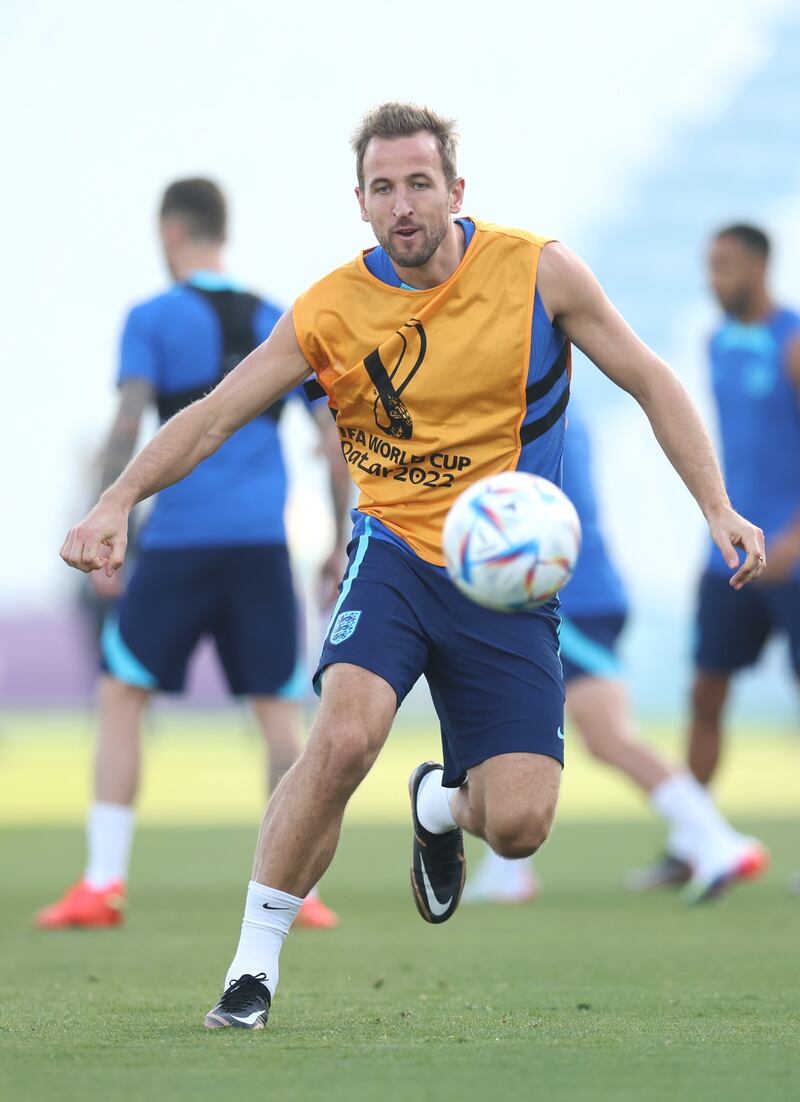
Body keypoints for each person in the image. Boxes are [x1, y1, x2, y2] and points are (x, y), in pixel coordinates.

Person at [58, 104, 766, 1032]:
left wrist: (715, 504)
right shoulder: (328, 310)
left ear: (456, 190)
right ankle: (251, 969)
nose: (402, 203)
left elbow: (649, 379)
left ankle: (437, 803)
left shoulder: (537, 271)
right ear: (359, 202)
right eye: (383, 186)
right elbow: (216, 414)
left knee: (518, 825)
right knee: (343, 737)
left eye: (419, 182)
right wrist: (116, 501)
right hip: (391, 555)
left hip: (505, 583)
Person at [39, 178, 349, 932]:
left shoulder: (151, 318)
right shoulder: (280, 317)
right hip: (261, 546)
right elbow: (335, 442)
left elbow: (123, 426)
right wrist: (338, 543)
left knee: (121, 694)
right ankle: (299, 893)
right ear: (221, 232)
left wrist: (104, 516)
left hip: (178, 543)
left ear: (171, 233)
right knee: (278, 712)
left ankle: (103, 884)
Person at [463, 399, 767, 906]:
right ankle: (506, 873)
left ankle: (716, 841)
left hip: (563, 596)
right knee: (509, 721)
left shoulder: (523, 407)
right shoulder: (555, 405)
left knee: (609, 738)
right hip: (567, 588)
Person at [630, 223, 800, 891]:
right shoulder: (717, 341)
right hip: (732, 552)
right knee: (705, 692)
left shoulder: (791, 342)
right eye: (709, 265)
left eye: (723, 265)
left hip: (791, 554)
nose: (713, 278)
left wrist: (791, 540)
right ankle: (694, 842)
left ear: (757, 267)